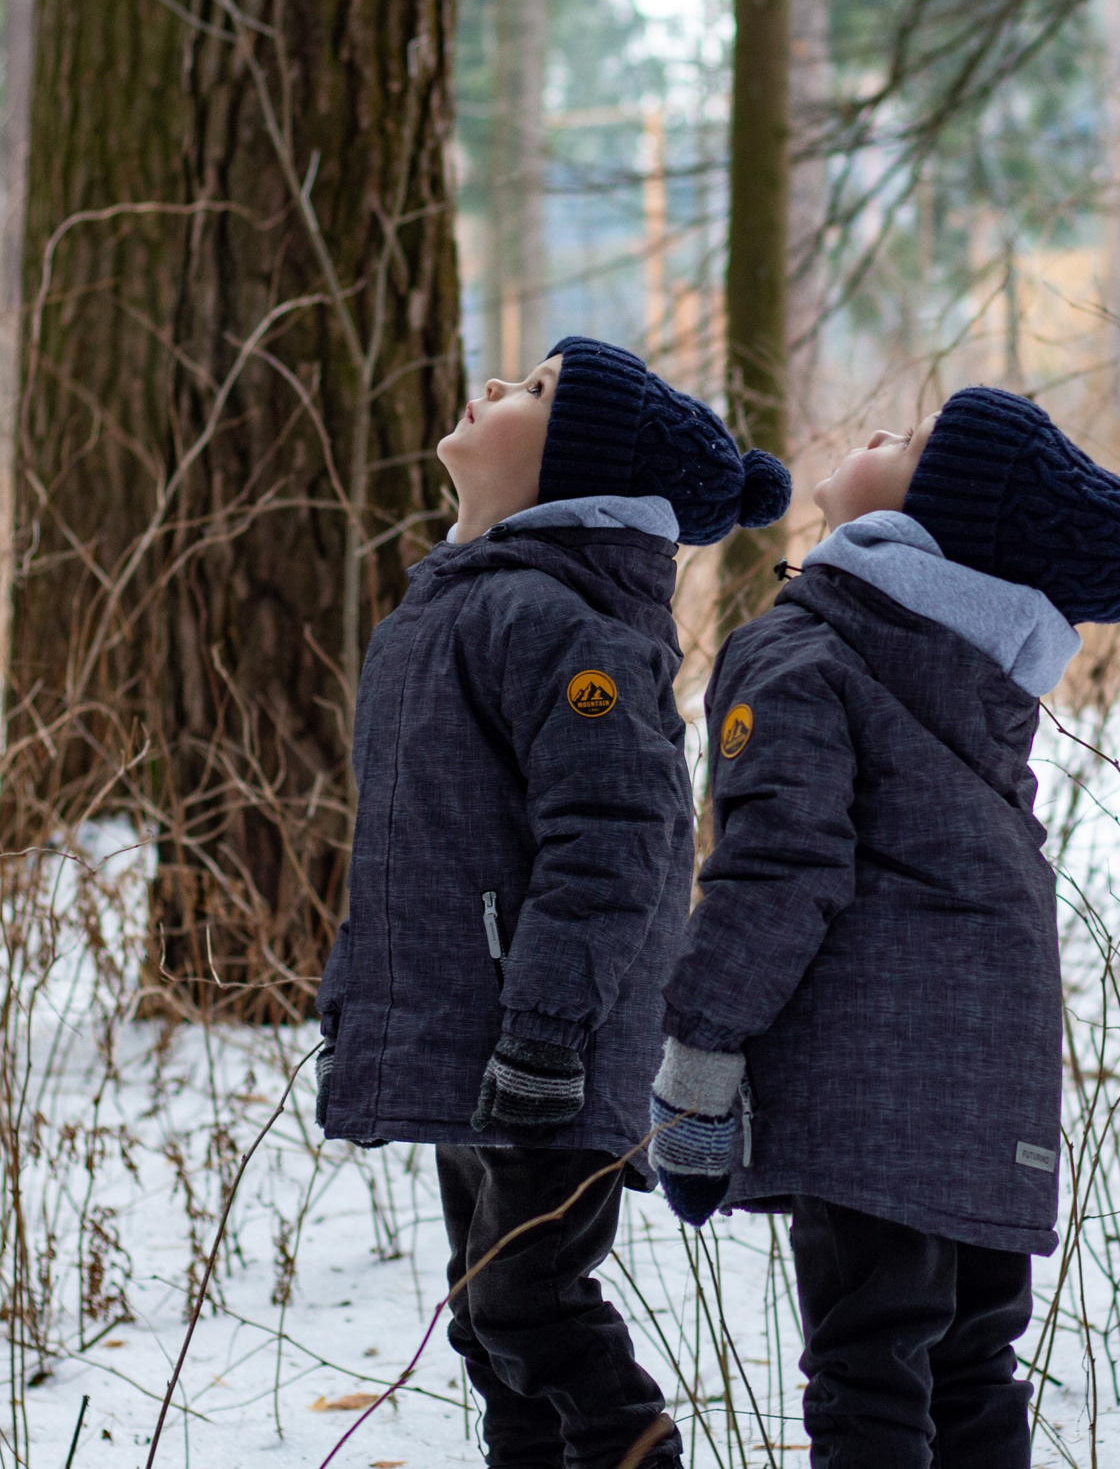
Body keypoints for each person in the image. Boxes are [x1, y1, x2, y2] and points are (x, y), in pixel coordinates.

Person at [645, 387, 1120, 1469]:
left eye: (906, 446)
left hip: (865, 1101)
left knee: (867, 1376)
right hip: (993, 1101)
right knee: (968, 1373)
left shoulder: (805, 651)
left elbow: (774, 873)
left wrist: (698, 1063)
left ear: (929, 530)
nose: (871, 434)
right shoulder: (974, 679)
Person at [315, 335, 789, 1469]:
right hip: (471, 1033)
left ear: (581, 474)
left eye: (533, 393)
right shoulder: (451, 606)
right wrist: (358, 998)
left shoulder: (561, 626)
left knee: (530, 1303)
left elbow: (619, 844)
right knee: (486, 1318)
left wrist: (543, 1035)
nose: (494, 388)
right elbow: (407, 850)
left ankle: (639, 1453)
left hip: (541, 1049)